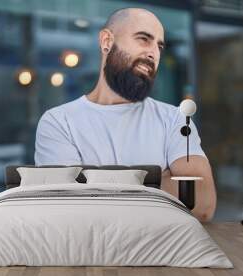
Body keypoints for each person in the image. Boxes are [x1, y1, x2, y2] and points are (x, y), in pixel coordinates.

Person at [34, 8, 216, 222]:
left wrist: (96, 183)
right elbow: (69, 209)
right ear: (106, 41)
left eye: (159, 46)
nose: (153, 53)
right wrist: (161, 179)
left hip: (160, 254)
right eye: (143, 39)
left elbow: (202, 203)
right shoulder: (58, 122)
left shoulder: (174, 119)